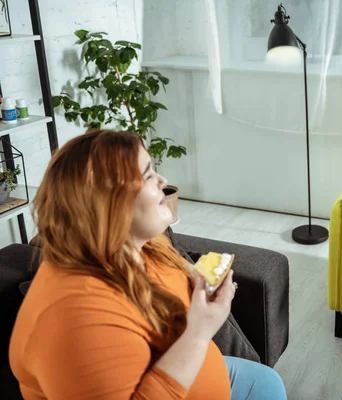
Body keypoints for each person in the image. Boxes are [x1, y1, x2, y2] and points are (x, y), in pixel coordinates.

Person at [9, 129, 287, 400]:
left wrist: (201, 281)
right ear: (108, 205)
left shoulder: (145, 246)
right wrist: (200, 332)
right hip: (184, 374)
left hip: (206, 373)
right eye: (147, 174)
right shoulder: (73, 318)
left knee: (267, 382)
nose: (162, 179)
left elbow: (167, 285)